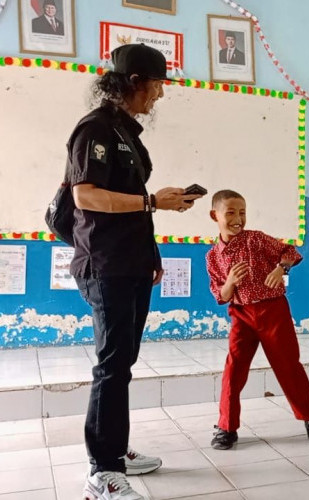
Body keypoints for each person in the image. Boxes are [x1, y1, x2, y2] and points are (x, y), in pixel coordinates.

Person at [71, 43, 203, 500]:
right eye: (157, 85)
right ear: (135, 83)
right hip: (105, 266)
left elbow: (130, 209)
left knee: (122, 363)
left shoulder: (127, 133)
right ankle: (101, 471)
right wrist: (152, 201)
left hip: (130, 263)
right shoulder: (95, 130)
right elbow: (85, 196)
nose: (160, 95)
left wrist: (152, 253)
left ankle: (116, 449)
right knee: (112, 365)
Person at [206, 189, 309, 449]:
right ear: (214, 215)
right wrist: (230, 282)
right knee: (233, 369)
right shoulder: (212, 257)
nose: (238, 218)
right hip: (241, 316)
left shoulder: (256, 239)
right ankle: (226, 427)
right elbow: (220, 295)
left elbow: (290, 252)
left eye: (242, 212)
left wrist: (280, 268)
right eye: (230, 213)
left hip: (273, 311)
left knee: (288, 365)